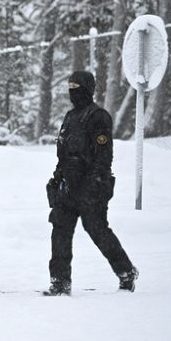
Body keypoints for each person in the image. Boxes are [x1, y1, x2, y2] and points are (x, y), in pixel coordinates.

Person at [43, 70, 137, 296]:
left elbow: (104, 156)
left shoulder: (99, 117)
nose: (73, 92)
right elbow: (63, 154)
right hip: (67, 186)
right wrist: (57, 178)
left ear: (88, 88)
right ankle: (59, 281)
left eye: (77, 87)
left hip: (90, 187)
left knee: (97, 230)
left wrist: (94, 183)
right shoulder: (70, 117)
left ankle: (125, 271)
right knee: (60, 231)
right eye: (70, 87)